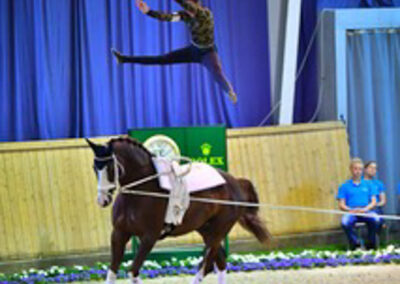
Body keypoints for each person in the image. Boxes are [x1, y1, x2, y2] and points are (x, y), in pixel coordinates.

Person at [111, 0, 238, 104]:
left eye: (189, 6)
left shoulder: (204, 13)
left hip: (207, 52)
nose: (187, 9)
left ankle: (229, 91)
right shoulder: (185, 15)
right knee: (161, 59)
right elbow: (167, 17)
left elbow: (186, 4)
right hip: (193, 50)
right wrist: (149, 12)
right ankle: (124, 59)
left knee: (216, 70)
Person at [337, 158, 380, 250]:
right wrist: (350, 210)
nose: (358, 171)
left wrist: (366, 209)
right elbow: (341, 205)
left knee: (377, 220)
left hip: (366, 211)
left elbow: (374, 201)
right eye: (355, 169)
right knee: (345, 222)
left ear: (362, 170)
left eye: (360, 169)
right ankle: (356, 244)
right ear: (351, 169)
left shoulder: (369, 185)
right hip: (352, 212)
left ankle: (371, 243)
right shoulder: (344, 186)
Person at [363, 161, 385, 231]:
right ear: (365, 169)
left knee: (377, 216)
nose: (373, 170)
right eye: (371, 167)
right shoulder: (358, 182)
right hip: (361, 208)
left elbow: (383, 201)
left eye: (375, 168)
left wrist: (374, 205)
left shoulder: (379, 184)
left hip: (375, 208)